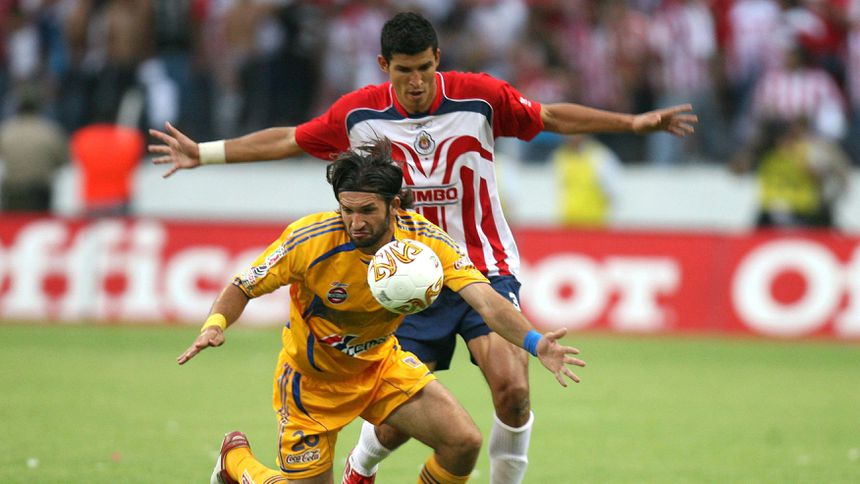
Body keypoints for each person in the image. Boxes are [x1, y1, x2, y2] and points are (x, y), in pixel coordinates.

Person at [150, 12, 697, 484]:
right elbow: (290, 138)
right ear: (383, 65)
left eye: (424, 68)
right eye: (403, 71)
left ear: (438, 59)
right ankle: (358, 469)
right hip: (401, 275)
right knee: (393, 425)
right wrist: (206, 152)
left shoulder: (479, 97)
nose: (415, 82)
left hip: (481, 263)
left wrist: (632, 123)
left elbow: (549, 116)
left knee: (512, 390)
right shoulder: (359, 115)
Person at [178, 139, 585, 484]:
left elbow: (484, 299)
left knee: (463, 443)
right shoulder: (309, 240)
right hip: (312, 385)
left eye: (367, 211)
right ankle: (236, 463)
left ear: (395, 206)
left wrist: (535, 343)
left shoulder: (424, 244)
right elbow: (243, 285)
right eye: (347, 209)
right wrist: (215, 324)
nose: (355, 222)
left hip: (381, 368)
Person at [0, 85, 68, 212]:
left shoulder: (6, 131)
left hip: (12, 193)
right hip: (39, 195)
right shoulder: (50, 132)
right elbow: (64, 161)